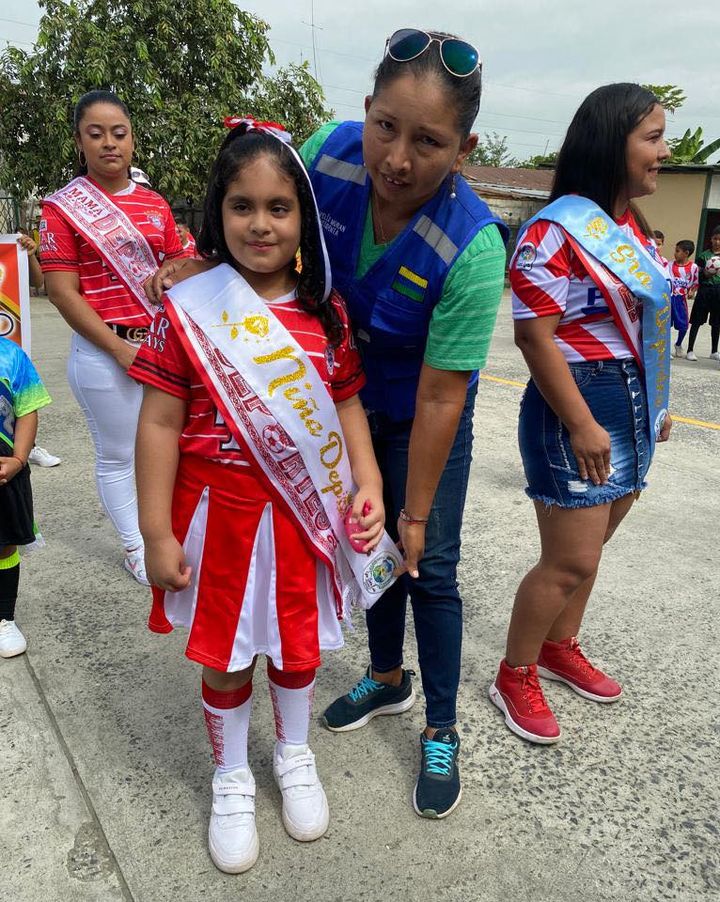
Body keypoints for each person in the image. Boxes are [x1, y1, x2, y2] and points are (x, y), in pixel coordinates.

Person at [148, 28, 508, 820]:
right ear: (365, 110)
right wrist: (209, 267)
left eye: (428, 142)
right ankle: (384, 677)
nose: (396, 159)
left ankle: (440, 726)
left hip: (413, 412)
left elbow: (442, 397)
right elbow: (258, 206)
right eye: (385, 127)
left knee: (422, 561)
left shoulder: (474, 247)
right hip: (322, 388)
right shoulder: (326, 153)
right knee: (354, 543)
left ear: (465, 148)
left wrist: (413, 511)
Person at [132, 120, 392, 873]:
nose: (260, 224)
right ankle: (231, 775)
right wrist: (155, 531)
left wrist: (370, 482)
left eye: (279, 207)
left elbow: (346, 407)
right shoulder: (188, 308)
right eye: (241, 206)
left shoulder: (325, 314)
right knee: (226, 653)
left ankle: (293, 753)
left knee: (296, 647)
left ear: (303, 218)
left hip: (302, 519)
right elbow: (158, 422)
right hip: (217, 519)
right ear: (217, 212)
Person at [489, 83, 672, 744]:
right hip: (577, 406)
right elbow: (534, 337)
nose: (664, 152)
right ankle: (514, 673)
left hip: (631, 403)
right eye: (653, 138)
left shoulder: (633, 228)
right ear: (610, 143)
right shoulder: (553, 230)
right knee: (566, 560)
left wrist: (657, 403)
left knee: (590, 555)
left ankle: (559, 647)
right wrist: (581, 423)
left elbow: (645, 325)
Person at [40, 90, 189, 585]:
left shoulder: (154, 202)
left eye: (119, 133)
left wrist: (174, 269)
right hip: (106, 353)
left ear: (132, 139)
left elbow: (179, 260)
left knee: (168, 448)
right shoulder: (63, 209)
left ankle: (166, 534)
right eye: (96, 133)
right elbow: (62, 292)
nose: (109, 143)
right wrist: (119, 349)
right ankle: (135, 547)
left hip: (160, 346)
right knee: (119, 455)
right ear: (79, 142)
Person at [0, 336, 52, 657]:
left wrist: (19, 459)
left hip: (5, 473)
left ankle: (4, 617)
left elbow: (28, 410)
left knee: (4, 542)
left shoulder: (10, 355)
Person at [15, 231, 62, 468]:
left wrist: (30, 254)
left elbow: (37, 281)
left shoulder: (10, 244)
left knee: (17, 393)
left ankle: (26, 446)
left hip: (8, 334)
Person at [685, 225, 720, 362]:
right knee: (696, 321)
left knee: (716, 323)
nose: (717, 242)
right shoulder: (703, 256)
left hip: (718, 291)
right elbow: (697, 275)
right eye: (715, 238)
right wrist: (705, 274)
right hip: (705, 291)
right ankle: (690, 350)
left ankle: (714, 351)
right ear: (711, 239)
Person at [669, 239, 699, 357]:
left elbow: (695, 283)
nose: (675, 253)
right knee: (666, 324)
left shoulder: (693, 267)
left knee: (683, 326)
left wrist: (692, 291)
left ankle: (678, 344)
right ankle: (666, 349)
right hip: (669, 298)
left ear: (686, 253)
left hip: (681, 300)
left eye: (677, 251)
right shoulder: (670, 265)